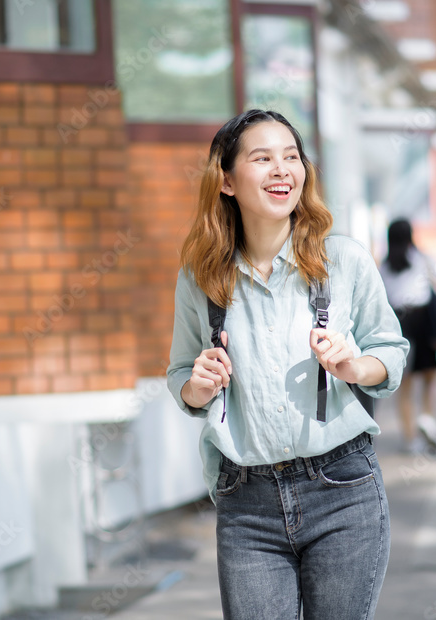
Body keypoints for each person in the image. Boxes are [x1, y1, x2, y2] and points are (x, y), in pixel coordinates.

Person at [166, 109, 409, 620]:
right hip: (245, 502)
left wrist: (355, 368)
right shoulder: (200, 277)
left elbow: (391, 351)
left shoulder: (342, 261)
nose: (282, 169)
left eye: (291, 157)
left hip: (342, 490)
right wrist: (198, 386)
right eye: (263, 158)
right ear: (227, 181)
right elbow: (181, 375)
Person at [378, 218, 436, 455]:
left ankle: (410, 438)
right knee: (431, 375)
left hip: (398, 323)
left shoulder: (383, 266)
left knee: (404, 384)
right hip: (423, 320)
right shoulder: (422, 259)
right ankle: (427, 416)